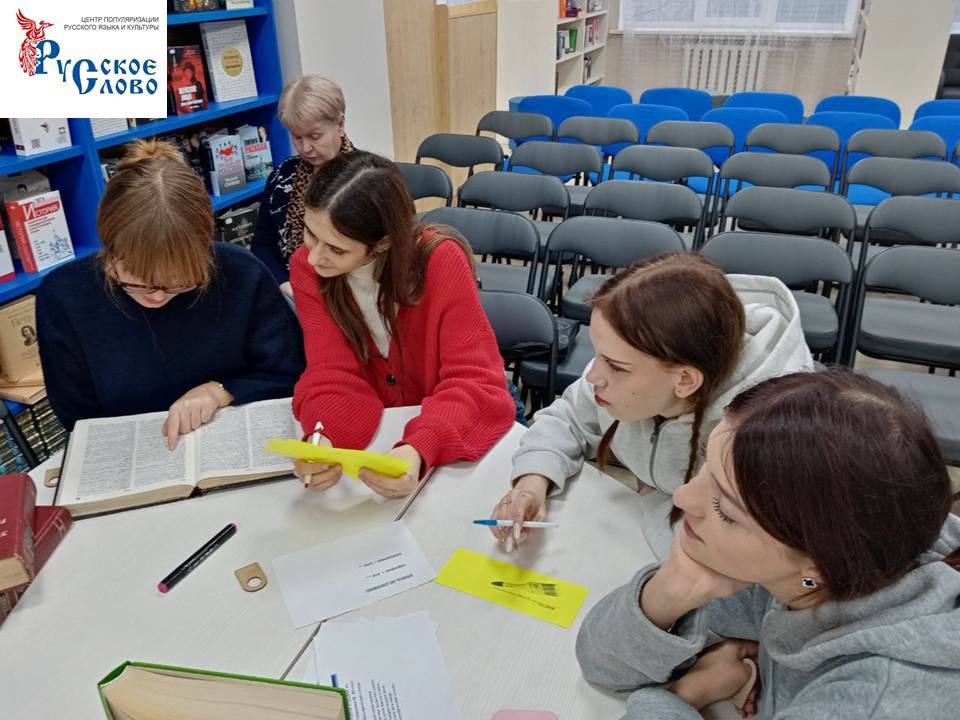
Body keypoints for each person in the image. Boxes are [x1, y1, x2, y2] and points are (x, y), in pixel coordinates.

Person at [576, 370, 960, 719]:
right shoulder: (815, 566)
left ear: (819, 567)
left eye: (724, 508)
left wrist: (682, 695)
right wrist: (670, 590)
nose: (683, 497)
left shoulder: (879, 699)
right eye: (705, 467)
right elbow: (603, 665)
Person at [490, 254, 812, 555]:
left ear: (685, 381)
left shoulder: (766, 443)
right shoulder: (644, 368)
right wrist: (533, 479)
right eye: (599, 356)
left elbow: (733, 555)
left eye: (615, 366)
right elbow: (569, 417)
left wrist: (653, 499)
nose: (593, 377)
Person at [37, 139, 305, 447]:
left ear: (205, 252)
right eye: (138, 281)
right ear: (109, 248)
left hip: (235, 443)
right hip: (130, 454)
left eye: (180, 283)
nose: (157, 297)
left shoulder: (242, 273)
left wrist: (220, 391)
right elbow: (78, 419)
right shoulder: (64, 297)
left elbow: (288, 373)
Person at [290, 151, 515, 498]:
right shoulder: (308, 269)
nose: (315, 256)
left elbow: (473, 381)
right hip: (384, 434)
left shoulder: (440, 261)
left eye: (336, 249)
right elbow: (330, 371)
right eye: (309, 234)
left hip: (452, 434)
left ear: (384, 243)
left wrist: (419, 447)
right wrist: (322, 439)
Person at [252, 75, 353, 290]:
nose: (305, 148)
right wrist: (284, 283)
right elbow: (263, 243)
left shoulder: (367, 178)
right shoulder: (282, 177)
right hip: (290, 290)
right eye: (297, 137)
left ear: (340, 124)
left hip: (345, 294)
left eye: (315, 136)